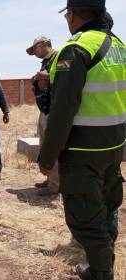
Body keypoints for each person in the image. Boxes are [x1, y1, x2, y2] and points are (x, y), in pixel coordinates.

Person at [39, 0, 125, 279]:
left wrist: (48, 156)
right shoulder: (119, 46)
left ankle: (101, 273)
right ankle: (102, 265)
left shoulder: (76, 49)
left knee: (86, 218)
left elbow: (63, 110)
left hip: (82, 149)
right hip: (113, 146)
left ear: (73, 14)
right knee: (107, 205)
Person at [26, 36, 60, 196]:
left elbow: (68, 77)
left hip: (55, 111)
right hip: (45, 110)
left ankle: (55, 185)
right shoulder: (46, 62)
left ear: (45, 44)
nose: (34, 53)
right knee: (45, 145)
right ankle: (50, 179)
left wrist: (47, 77)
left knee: (52, 146)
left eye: (35, 49)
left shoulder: (60, 57)